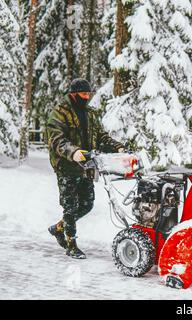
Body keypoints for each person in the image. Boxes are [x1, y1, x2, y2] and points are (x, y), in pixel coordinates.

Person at [46, 78, 125, 259]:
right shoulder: (59, 113)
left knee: (87, 204)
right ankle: (71, 245)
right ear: (73, 94)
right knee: (70, 207)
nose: (87, 97)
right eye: (83, 94)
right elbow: (57, 140)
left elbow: (100, 136)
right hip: (67, 167)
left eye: (89, 94)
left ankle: (59, 228)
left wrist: (117, 146)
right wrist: (73, 152)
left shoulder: (89, 113)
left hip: (87, 167)